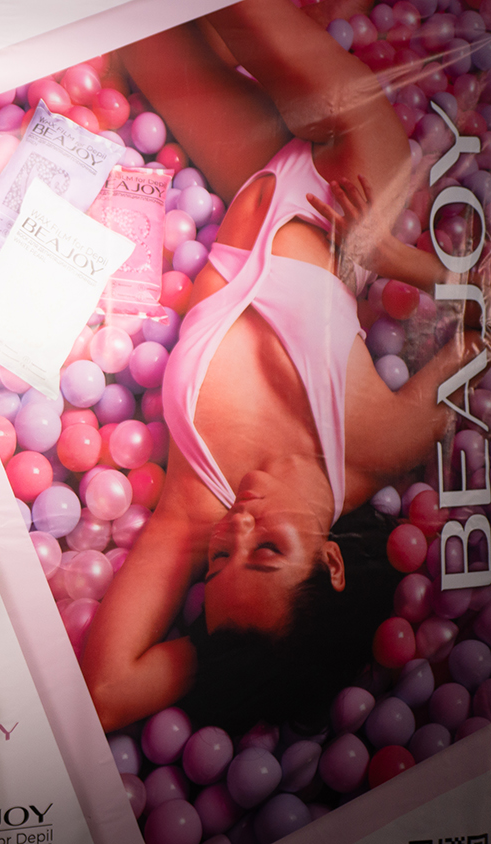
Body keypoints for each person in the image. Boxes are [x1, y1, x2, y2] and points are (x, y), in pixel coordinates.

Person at [79, 0, 478, 733]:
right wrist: (390, 258)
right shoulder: (379, 445)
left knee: (137, 30)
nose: (239, 525)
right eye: (266, 549)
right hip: (346, 172)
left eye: (217, 563)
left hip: (247, 179)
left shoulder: (199, 502)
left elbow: (104, 691)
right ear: (331, 563)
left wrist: (235, 658)